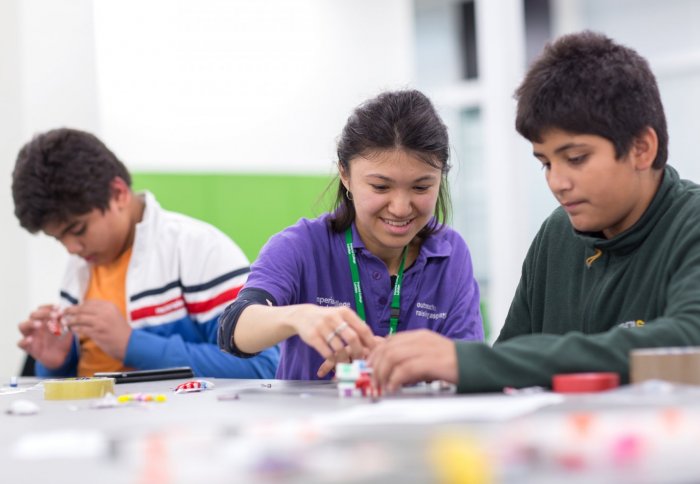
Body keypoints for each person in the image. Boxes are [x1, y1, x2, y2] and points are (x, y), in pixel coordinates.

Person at [369, 30, 700, 393]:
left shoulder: (691, 222)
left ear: (641, 148)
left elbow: (687, 340)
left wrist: (470, 362)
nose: (557, 182)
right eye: (545, 163)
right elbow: (511, 362)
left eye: (576, 158)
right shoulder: (557, 234)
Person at [218, 89, 483, 380]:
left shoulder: (449, 254)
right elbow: (234, 329)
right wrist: (299, 317)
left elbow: (469, 366)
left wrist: (407, 358)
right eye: (381, 187)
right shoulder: (302, 246)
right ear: (345, 175)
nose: (400, 207)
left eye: (421, 188)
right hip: (313, 425)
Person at [12, 128, 279, 378]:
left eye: (79, 229)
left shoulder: (198, 249)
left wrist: (132, 344)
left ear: (118, 194)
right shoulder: (79, 268)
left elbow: (263, 367)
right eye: (58, 238)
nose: (71, 248)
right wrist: (58, 363)